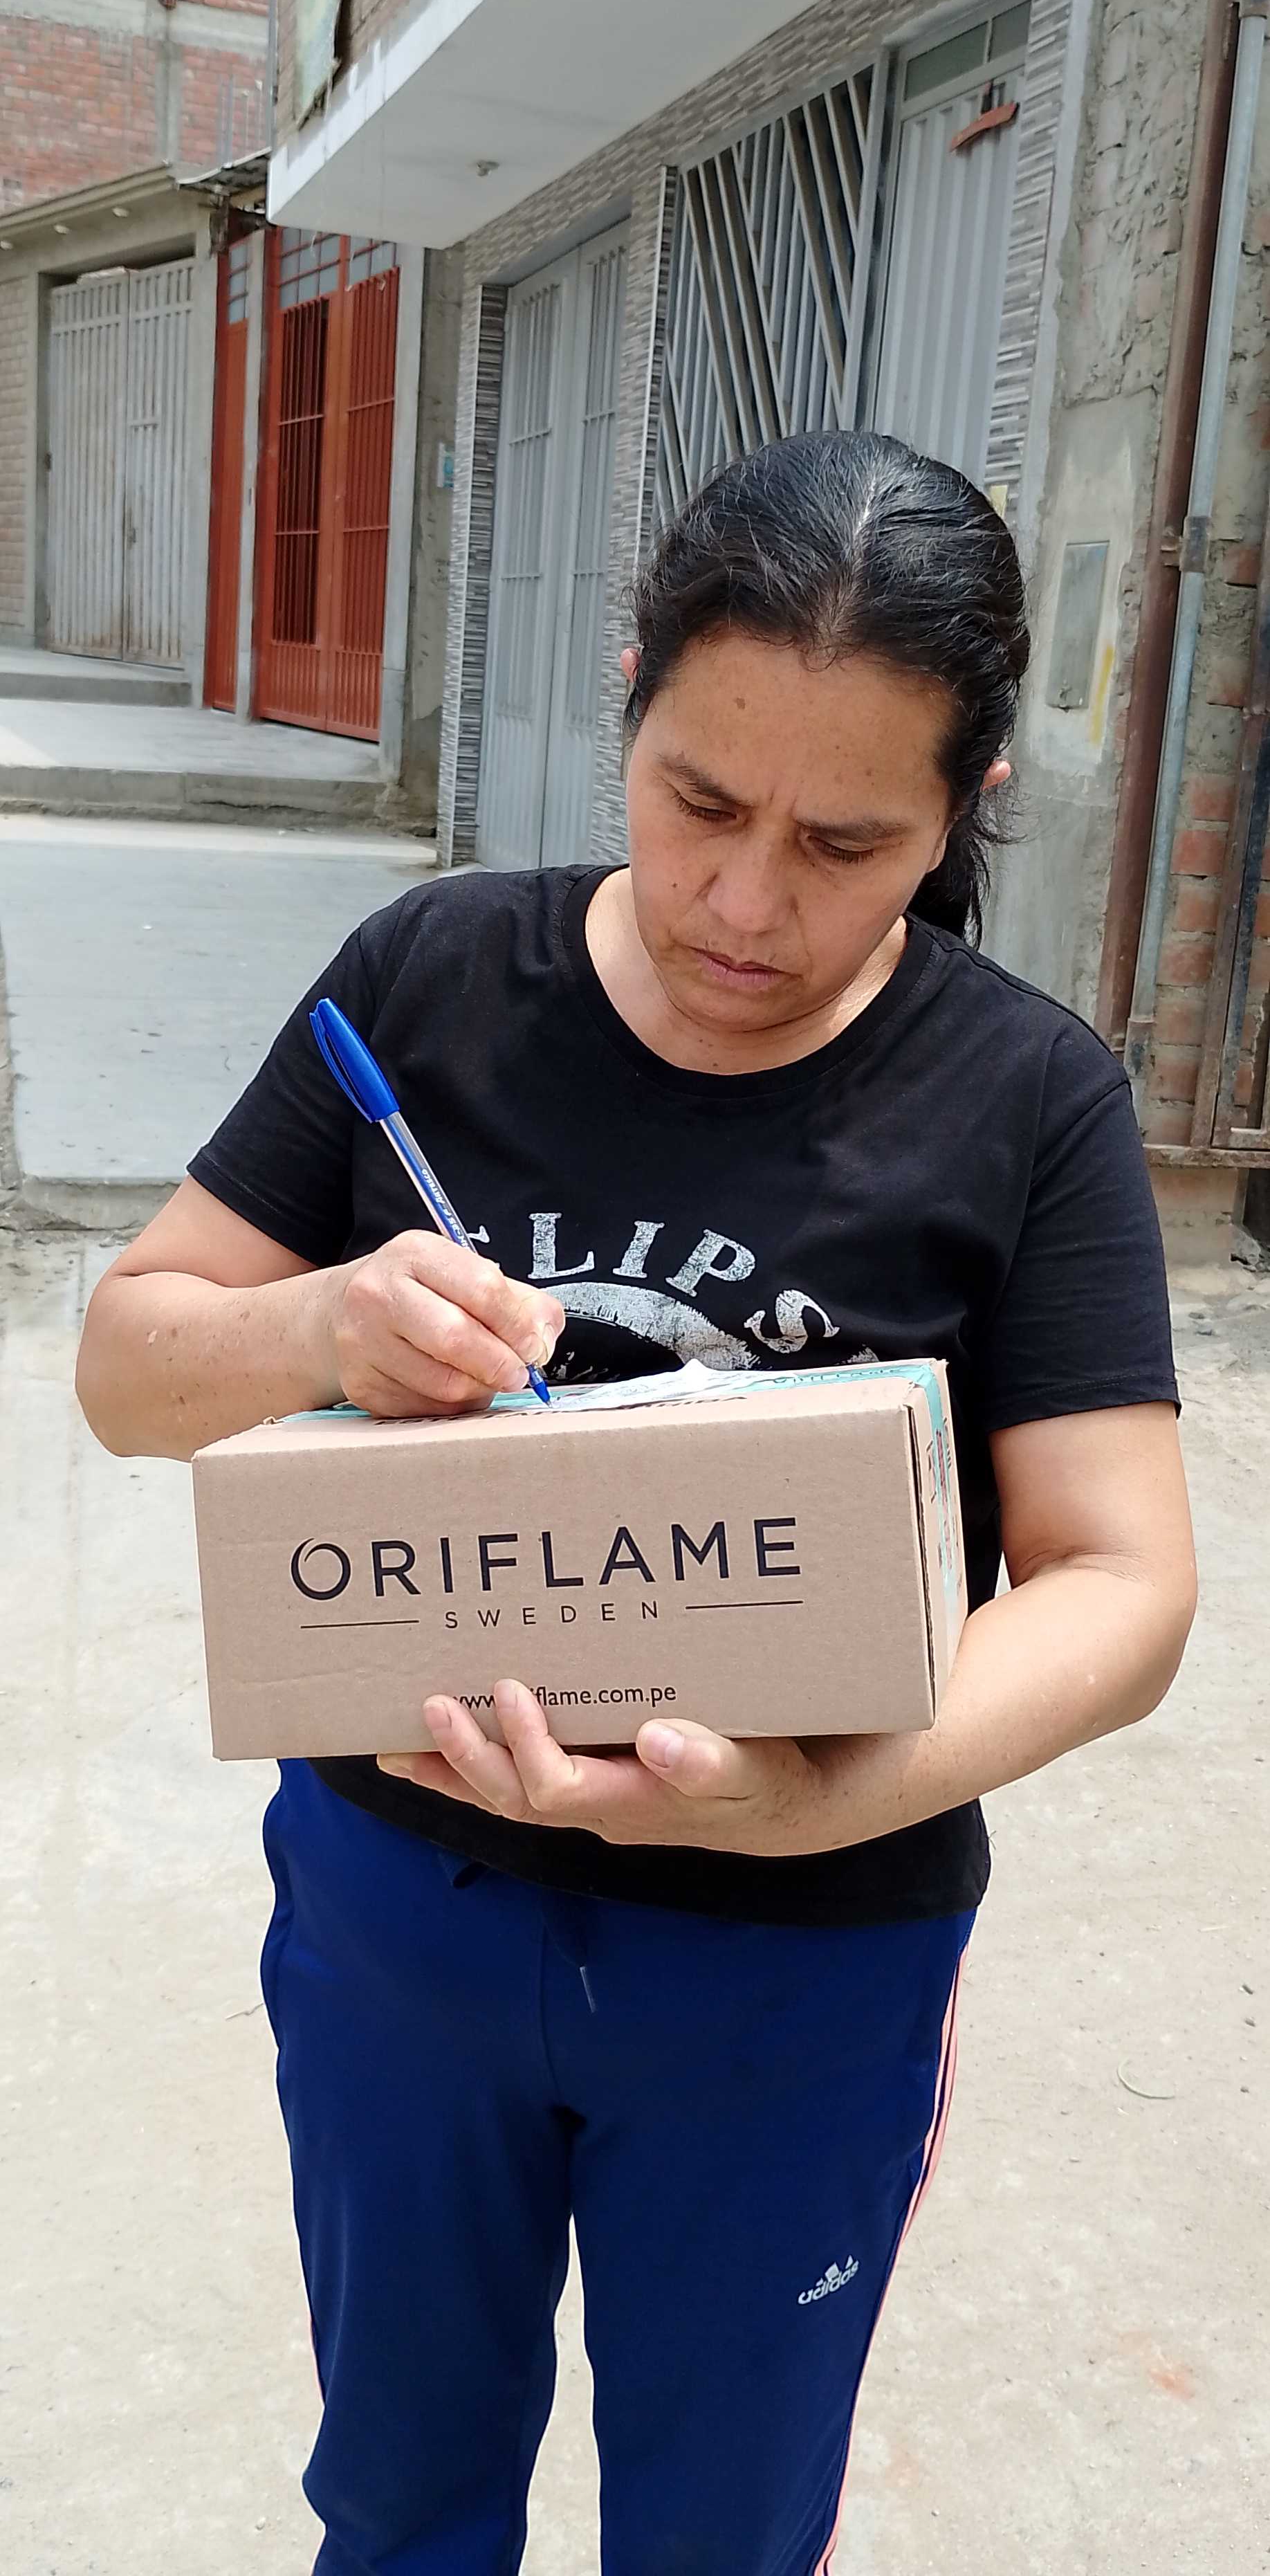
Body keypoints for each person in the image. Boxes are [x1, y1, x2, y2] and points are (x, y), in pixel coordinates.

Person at [76, 430, 1196, 2576]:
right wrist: (319, 1323)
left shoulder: (1025, 1098)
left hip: (796, 1965)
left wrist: (817, 1797)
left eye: (847, 844)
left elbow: (1117, 1581)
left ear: (962, 807)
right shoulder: (429, 981)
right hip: (402, 1912)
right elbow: (130, 1368)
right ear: (629, 703)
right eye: (696, 802)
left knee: (719, 2529)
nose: (745, 905)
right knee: (397, 2498)